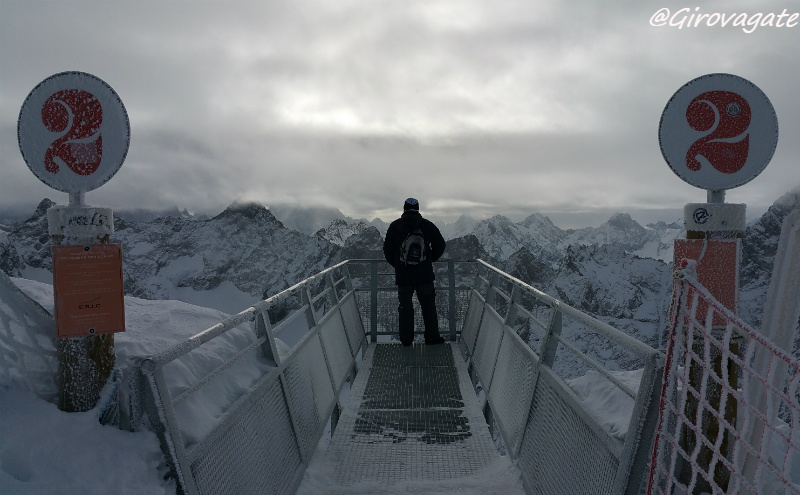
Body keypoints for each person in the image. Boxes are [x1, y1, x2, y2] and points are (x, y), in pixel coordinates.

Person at [383, 198, 447, 346]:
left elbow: (387, 251)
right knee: (428, 306)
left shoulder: (395, 226)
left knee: (405, 307)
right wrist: (428, 260)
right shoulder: (427, 225)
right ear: (418, 209)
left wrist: (399, 265)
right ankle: (432, 337)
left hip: (403, 276)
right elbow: (441, 245)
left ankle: (406, 340)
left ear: (404, 209)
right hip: (424, 275)